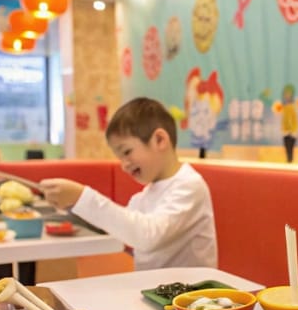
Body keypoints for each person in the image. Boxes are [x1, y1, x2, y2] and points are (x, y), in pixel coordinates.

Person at [40, 97, 218, 270]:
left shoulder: (190, 186)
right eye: (120, 158)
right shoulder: (145, 195)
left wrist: (82, 197)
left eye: (127, 152)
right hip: (154, 290)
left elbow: (148, 236)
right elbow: (123, 229)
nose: (124, 166)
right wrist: (72, 205)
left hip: (192, 295)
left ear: (160, 140)